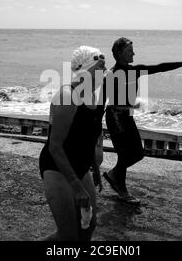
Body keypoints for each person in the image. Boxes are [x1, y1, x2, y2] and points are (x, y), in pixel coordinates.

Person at [103, 37, 182, 204]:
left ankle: (113, 176)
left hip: (127, 116)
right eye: (129, 51)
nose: (134, 53)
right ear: (119, 54)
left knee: (138, 153)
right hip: (115, 117)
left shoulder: (134, 71)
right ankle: (122, 190)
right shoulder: (111, 75)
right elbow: (100, 100)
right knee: (124, 154)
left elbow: (159, 67)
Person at [39, 46, 106, 241]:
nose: (104, 72)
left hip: (81, 167)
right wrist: (76, 187)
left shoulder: (94, 96)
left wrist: (93, 166)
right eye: (100, 67)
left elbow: (88, 136)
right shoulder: (67, 96)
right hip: (57, 167)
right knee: (68, 235)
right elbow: (55, 146)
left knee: (88, 227)